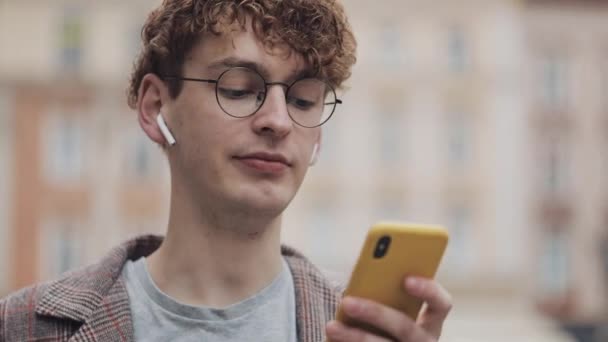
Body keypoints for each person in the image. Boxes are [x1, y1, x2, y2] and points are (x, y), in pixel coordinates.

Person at [0, 0, 452, 341]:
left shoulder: (362, 329)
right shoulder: (22, 325)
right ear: (156, 107)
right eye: (238, 89)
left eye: (302, 100)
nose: (278, 120)